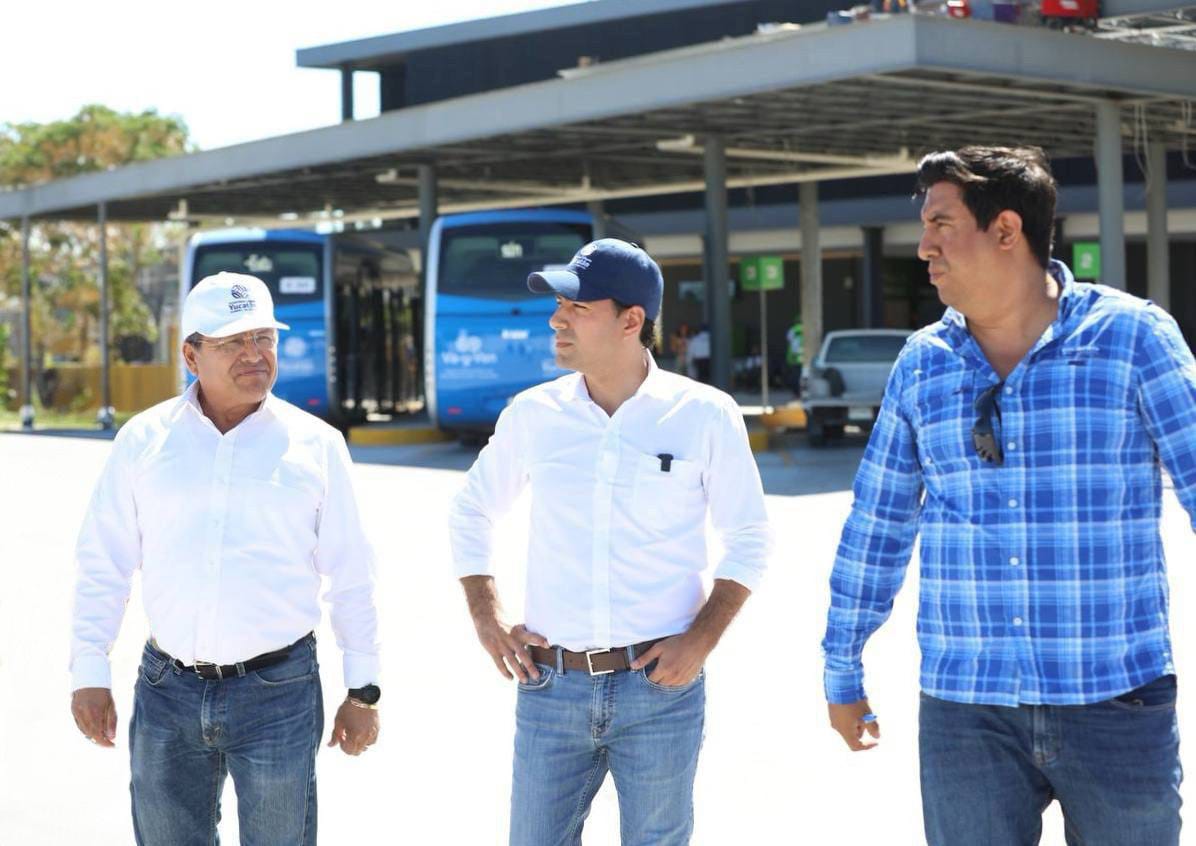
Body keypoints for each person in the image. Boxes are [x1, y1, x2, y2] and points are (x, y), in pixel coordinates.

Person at [821, 145, 1192, 845]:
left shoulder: (1132, 338)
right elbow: (878, 524)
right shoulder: (923, 365)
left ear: (1005, 231)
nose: (924, 246)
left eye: (941, 224)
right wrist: (843, 663)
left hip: (1116, 698)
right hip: (968, 712)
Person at [449, 239, 772, 845]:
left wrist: (699, 642)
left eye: (576, 305)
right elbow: (471, 511)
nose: (556, 319)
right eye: (558, 305)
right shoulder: (532, 414)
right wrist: (488, 618)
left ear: (631, 321)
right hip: (551, 687)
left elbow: (749, 535)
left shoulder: (703, 414)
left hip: (659, 688)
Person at [70, 272, 383, 846]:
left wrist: (363, 690)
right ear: (190, 354)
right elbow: (103, 561)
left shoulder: (316, 446)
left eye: (264, 338)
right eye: (232, 342)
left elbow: (352, 574)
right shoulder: (143, 442)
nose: (254, 355)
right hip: (167, 692)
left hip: (280, 692)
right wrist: (90, 671)